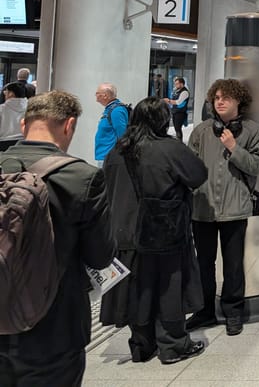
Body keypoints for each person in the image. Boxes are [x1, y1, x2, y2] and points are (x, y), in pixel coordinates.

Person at [0, 91, 115, 386]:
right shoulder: (83, 177)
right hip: (55, 325)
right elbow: (100, 255)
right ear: (69, 125)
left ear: (24, 124)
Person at [100, 98, 207, 365]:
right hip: (162, 230)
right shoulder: (169, 148)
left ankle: (141, 345)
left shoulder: (117, 151)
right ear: (163, 120)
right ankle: (172, 345)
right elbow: (197, 175)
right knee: (169, 287)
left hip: (124, 233)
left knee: (138, 290)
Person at [186, 78, 259, 336]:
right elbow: (188, 167)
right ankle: (204, 311)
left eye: (226, 98)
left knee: (233, 264)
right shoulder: (201, 131)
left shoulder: (252, 131)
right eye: (217, 98)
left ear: (238, 101)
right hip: (203, 207)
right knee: (203, 262)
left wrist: (234, 147)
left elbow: (258, 165)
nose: (220, 102)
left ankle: (233, 311)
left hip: (235, 207)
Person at [94, 83, 128, 166]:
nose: (95, 95)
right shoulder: (110, 109)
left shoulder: (117, 111)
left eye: (97, 93)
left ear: (105, 96)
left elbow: (122, 135)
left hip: (110, 158)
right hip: (105, 156)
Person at [0, 82, 28, 150]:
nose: (4, 95)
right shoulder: (30, 108)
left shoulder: (1, 109)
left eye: (5, 92)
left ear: (11, 94)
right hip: (24, 142)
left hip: (3, 143)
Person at [165, 76, 190, 141]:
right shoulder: (176, 90)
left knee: (178, 128)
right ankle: (178, 140)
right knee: (176, 128)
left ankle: (179, 141)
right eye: (175, 84)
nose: (175, 85)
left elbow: (178, 102)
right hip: (174, 111)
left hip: (180, 112)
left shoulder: (185, 92)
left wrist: (168, 101)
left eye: (177, 84)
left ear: (181, 84)